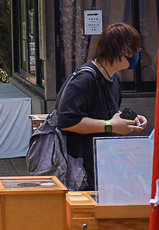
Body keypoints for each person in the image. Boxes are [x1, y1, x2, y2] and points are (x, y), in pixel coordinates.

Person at [58, 22, 148, 190]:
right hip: (81, 169)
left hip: (105, 164)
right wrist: (110, 126)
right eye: (136, 49)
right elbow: (67, 120)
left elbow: (108, 114)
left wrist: (130, 119)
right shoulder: (86, 79)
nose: (137, 55)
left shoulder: (114, 78)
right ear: (125, 51)